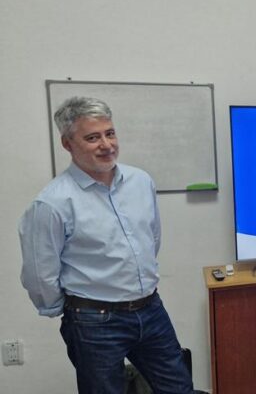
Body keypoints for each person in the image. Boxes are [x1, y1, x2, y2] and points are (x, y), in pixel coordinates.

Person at [19, 97, 194, 394]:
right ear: (67, 144)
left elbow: (151, 239)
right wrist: (72, 309)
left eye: (110, 133)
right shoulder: (52, 203)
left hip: (151, 309)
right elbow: (40, 273)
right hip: (93, 320)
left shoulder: (140, 181)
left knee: (179, 387)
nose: (106, 145)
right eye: (92, 138)